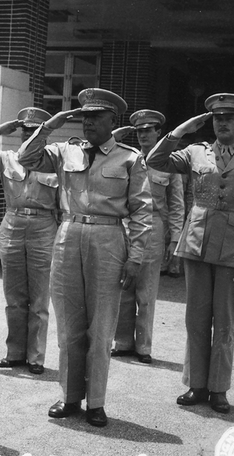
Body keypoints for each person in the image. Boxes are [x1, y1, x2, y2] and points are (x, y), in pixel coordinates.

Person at [17, 88, 151, 428]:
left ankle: (97, 403)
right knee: (69, 323)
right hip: (68, 234)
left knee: (101, 325)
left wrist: (135, 257)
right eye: (84, 116)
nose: (88, 122)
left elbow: (142, 212)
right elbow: (26, 157)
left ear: (111, 120)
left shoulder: (129, 158)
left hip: (108, 238)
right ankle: (70, 396)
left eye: (96, 117)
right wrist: (49, 125)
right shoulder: (66, 151)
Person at [146, 93, 234, 414]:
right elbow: (155, 161)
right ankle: (196, 385)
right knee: (196, 319)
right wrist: (180, 131)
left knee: (226, 321)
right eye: (217, 118)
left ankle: (219, 388)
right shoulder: (194, 152)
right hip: (197, 244)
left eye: (229, 118)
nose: (222, 123)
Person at [0, 107, 59, 375]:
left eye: (35, 131)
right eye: (26, 131)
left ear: (44, 136)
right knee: (13, 295)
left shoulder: (54, 161)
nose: (29, 135)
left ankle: (36, 356)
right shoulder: (6, 159)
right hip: (13, 224)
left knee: (39, 297)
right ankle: (14, 352)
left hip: (44, 225)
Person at [111, 110, 184, 364]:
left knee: (146, 291)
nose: (143, 135)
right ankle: (122, 342)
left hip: (153, 227)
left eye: (148, 130)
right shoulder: (126, 158)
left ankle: (143, 346)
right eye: (139, 131)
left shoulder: (169, 163)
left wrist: (175, 240)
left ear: (158, 133)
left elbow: (176, 205)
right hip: (126, 224)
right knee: (124, 286)